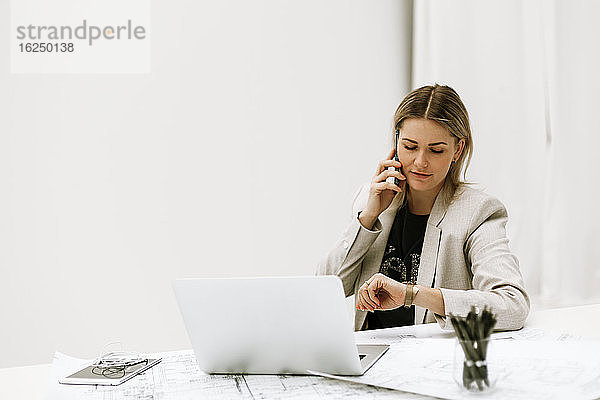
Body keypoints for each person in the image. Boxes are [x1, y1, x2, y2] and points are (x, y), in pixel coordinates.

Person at [316, 84, 529, 331]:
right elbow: (324, 290)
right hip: (371, 358)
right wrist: (368, 217)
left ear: (457, 150)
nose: (420, 162)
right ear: (396, 141)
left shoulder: (478, 212)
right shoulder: (370, 199)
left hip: (431, 361)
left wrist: (412, 294)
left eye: (436, 150)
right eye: (410, 146)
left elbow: (512, 306)